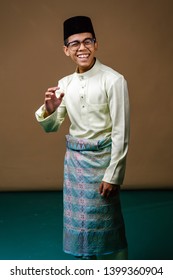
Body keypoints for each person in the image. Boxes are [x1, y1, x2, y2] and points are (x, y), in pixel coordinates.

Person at [35, 16, 130, 260]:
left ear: (96, 45)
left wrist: (113, 174)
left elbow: (121, 131)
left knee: (107, 225)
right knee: (80, 229)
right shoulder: (64, 84)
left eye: (87, 41)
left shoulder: (114, 80)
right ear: (66, 50)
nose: (82, 48)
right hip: (75, 167)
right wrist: (51, 109)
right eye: (75, 43)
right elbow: (51, 127)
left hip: (103, 164)